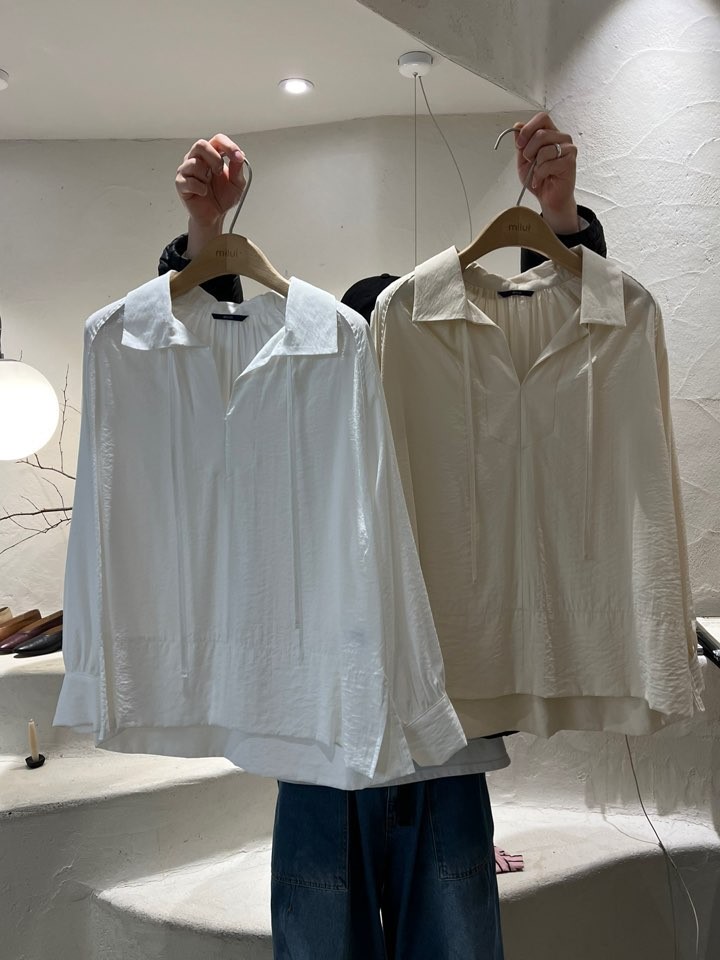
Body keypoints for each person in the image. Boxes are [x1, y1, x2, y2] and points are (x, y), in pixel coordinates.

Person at [157, 113, 608, 960]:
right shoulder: (302, 422)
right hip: (324, 751)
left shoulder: (467, 427)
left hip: (444, 752)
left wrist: (560, 222)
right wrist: (206, 240)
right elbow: (213, 368)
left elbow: (561, 351)